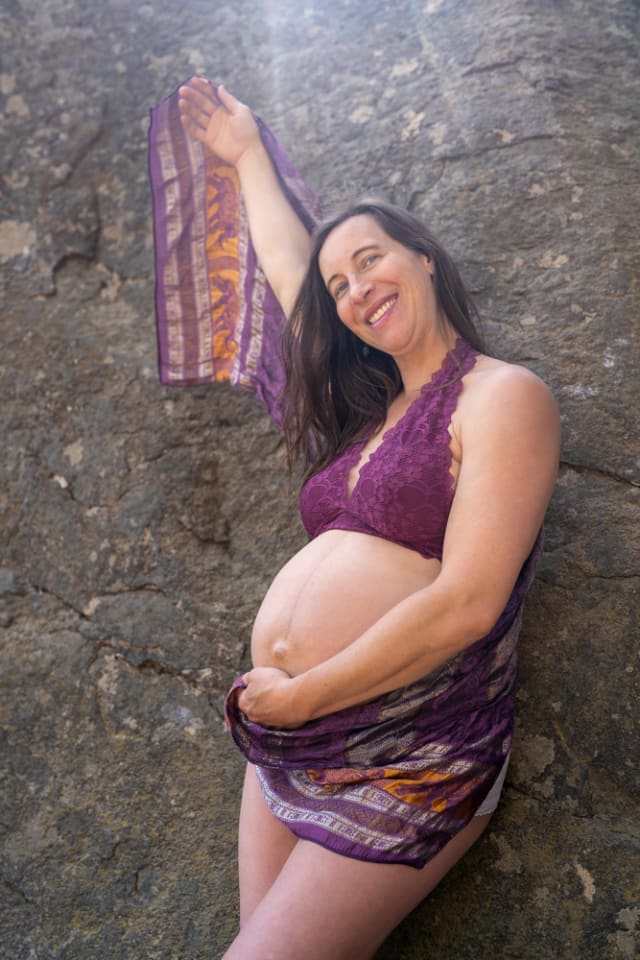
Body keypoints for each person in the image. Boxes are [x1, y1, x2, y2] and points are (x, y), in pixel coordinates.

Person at [150, 76, 560, 960]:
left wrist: (301, 695)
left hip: (414, 748)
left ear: (422, 257)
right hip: (290, 743)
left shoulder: (503, 397)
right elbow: (290, 275)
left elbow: (468, 603)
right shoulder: (366, 414)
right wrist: (249, 154)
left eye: (371, 259)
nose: (356, 289)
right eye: (342, 284)